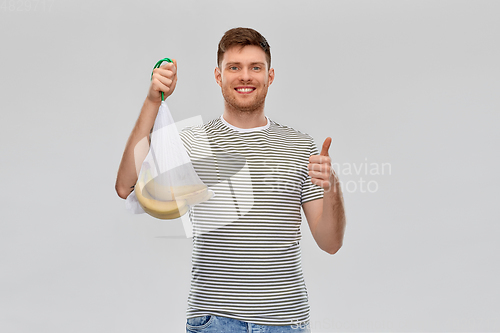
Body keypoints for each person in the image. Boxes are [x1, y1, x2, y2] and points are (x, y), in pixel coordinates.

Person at [115, 27, 346, 333]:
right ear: (218, 75)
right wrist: (152, 100)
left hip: (285, 322)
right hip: (214, 321)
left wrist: (332, 184)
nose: (245, 76)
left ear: (270, 75)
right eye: (234, 67)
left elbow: (330, 243)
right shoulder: (192, 142)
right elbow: (125, 186)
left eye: (255, 67)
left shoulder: (299, 146)